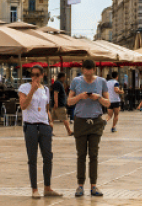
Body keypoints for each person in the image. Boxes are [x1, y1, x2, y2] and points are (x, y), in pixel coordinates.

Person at [64, 61, 110, 197]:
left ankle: (94, 185)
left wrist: (99, 97)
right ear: (82, 70)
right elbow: (69, 101)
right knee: (81, 155)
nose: (88, 73)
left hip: (96, 121)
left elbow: (108, 103)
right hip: (80, 121)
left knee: (94, 155)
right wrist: (80, 96)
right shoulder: (76, 81)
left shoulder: (101, 82)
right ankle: (80, 185)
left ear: (94, 70)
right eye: (86, 70)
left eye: (90, 70)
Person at [17, 67, 62, 198]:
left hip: (44, 126)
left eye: (37, 74)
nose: (34, 77)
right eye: (32, 75)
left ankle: (47, 187)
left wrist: (50, 121)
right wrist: (32, 90)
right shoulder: (24, 88)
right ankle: (34, 189)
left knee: (48, 157)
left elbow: (46, 108)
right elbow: (23, 106)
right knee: (32, 159)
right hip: (30, 126)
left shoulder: (46, 90)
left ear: (43, 75)